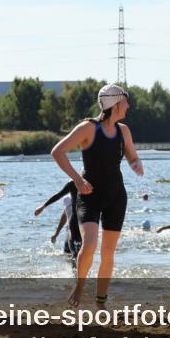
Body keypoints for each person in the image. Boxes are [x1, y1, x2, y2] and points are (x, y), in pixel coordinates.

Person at [51, 84, 144, 308]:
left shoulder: (124, 131)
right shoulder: (88, 128)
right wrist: (77, 179)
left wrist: (136, 163)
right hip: (89, 195)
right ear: (115, 103)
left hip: (116, 197)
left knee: (108, 252)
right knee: (90, 245)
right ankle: (80, 285)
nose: (128, 106)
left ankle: (101, 302)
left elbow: (132, 156)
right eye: (126, 102)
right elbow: (57, 152)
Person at [34, 180, 81, 260]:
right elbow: (64, 215)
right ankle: (72, 271)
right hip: (71, 227)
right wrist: (56, 233)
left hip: (84, 226)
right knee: (68, 253)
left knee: (80, 252)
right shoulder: (67, 199)